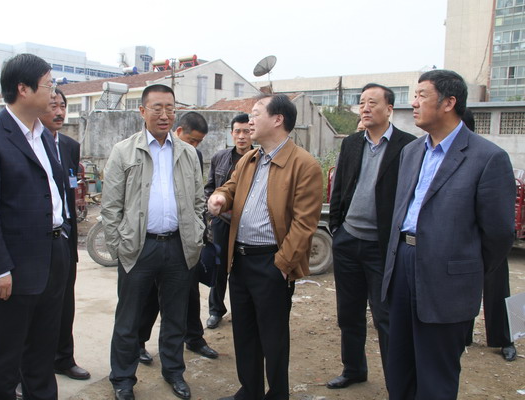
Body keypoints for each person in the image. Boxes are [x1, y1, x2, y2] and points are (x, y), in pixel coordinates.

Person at [381, 70, 515, 400]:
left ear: (448, 102)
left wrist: (463, 268)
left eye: (422, 95)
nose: (413, 103)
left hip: (447, 279)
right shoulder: (412, 152)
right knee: (399, 365)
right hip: (403, 264)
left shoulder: (487, 157)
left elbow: (499, 234)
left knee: (436, 374)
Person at [0, 53, 70, 400]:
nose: (54, 93)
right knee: (5, 355)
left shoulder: (43, 135)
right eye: (48, 84)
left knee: (42, 350)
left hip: (53, 255)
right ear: (23, 89)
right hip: (13, 268)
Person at [208, 94, 323, 400]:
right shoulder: (250, 159)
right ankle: (250, 391)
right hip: (240, 260)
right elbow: (231, 187)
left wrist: (281, 266)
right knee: (244, 333)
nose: (250, 121)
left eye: (256, 114)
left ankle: (278, 394)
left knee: (273, 339)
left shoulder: (304, 165)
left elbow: (304, 224)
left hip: (271, 263)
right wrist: (220, 197)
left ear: (278, 119)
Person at [102, 84, 205, 400]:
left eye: (170, 108)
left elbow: (198, 200)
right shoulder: (123, 151)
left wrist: (196, 233)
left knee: (175, 317)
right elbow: (110, 206)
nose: (164, 114)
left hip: (178, 246)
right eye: (157, 107)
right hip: (138, 248)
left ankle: (173, 372)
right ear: (142, 111)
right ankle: (122, 378)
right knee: (128, 319)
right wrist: (120, 246)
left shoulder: (187, 153)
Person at [327, 84, 416, 389]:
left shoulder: (408, 146)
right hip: (348, 240)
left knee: (385, 317)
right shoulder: (352, 143)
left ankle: (396, 383)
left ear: (389, 109)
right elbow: (339, 187)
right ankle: (353, 369)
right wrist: (336, 229)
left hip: (383, 247)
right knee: (349, 314)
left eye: (372, 103)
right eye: (362, 102)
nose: (365, 108)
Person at [138, 111, 218, 365]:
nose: (195, 146)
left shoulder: (193, 155)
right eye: (192, 140)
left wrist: (198, 231)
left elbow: (197, 196)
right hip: (153, 239)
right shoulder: (150, 151)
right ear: (179, 131)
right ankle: (139, 342)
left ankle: (193, 338)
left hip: (185, 240)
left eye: (199, 142)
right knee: (151, 296)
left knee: (190, 293)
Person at [39, 88, 91, 379]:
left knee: (64, 302)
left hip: (66, 235)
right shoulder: (29, 143)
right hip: (38, 238)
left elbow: (71, 185)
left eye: (62, 106)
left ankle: (63, 358)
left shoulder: (70, 145)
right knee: (34, 308)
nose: (59, 112)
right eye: (52, 105)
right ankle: (26, 369)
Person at [461, 108, 517, 362]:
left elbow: (500, 209)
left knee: (497, 289)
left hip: (489, 239)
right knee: (460, 289)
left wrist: (495, 244)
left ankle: (504, 339)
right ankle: (463, 334)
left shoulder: (489, 156)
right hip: (462, 238)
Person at [204, 113, 253, 329]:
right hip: (222, 222)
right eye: (237, 131)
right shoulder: (220, 157)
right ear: (231, 133)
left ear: (253, 133)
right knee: (219, 267)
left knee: (244, 269)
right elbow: (209, 188)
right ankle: (216, 310)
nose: (242, 136)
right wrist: (211, 213)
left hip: (248, 223)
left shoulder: (260, 158)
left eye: (246, 131)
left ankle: (243, 311)